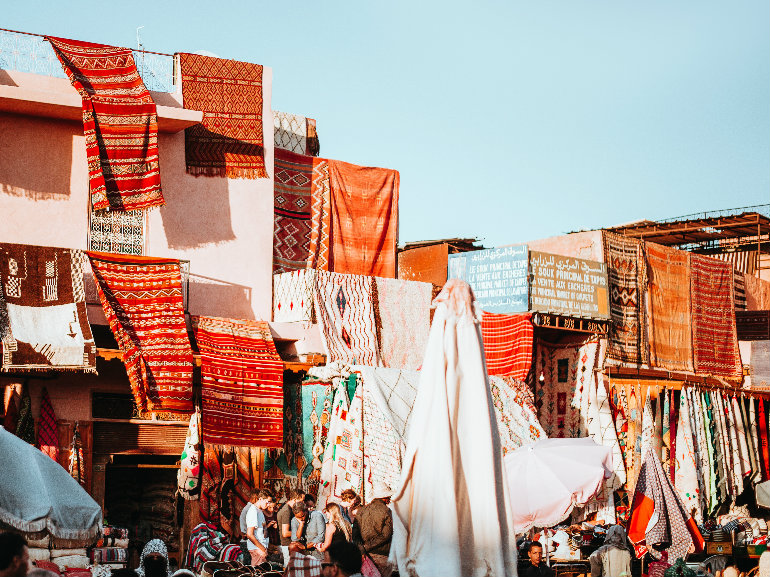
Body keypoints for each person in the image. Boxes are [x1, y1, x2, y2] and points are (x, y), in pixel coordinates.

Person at [352, 484, 393, 577]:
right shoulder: (387, 511)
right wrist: (366, 547)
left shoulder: (361, 511)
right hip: (382, 555)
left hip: (365, 556)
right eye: (389, 496)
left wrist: (362, 548)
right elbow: (386, 535)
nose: (390, 498)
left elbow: (354, 534)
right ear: (384, 497)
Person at [278, 490, 306, 566]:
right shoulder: (286, 511)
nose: (303, 503)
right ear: (295, 500)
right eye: (302, 501)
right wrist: (301, 532)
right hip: (288, 545)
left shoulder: (289, 509)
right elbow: (285, 533)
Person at [245, 489, 273, 567]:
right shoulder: (253, 511)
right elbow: (249, 534)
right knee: (258, 572)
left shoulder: (260, 511)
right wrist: (262, 549)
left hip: (261, 547)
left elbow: (263, 530)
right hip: (257, 549)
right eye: (267, 502)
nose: (268, 505)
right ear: (260, 499)